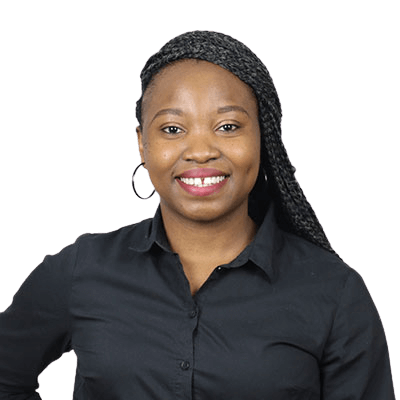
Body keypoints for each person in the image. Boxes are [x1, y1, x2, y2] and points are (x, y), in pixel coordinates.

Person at [0, 30, 395, 399]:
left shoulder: (336, 293)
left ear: (263, 139)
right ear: (142, 144)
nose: (201, 151)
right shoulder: (82, 269)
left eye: (228, 126)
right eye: (172, 129)